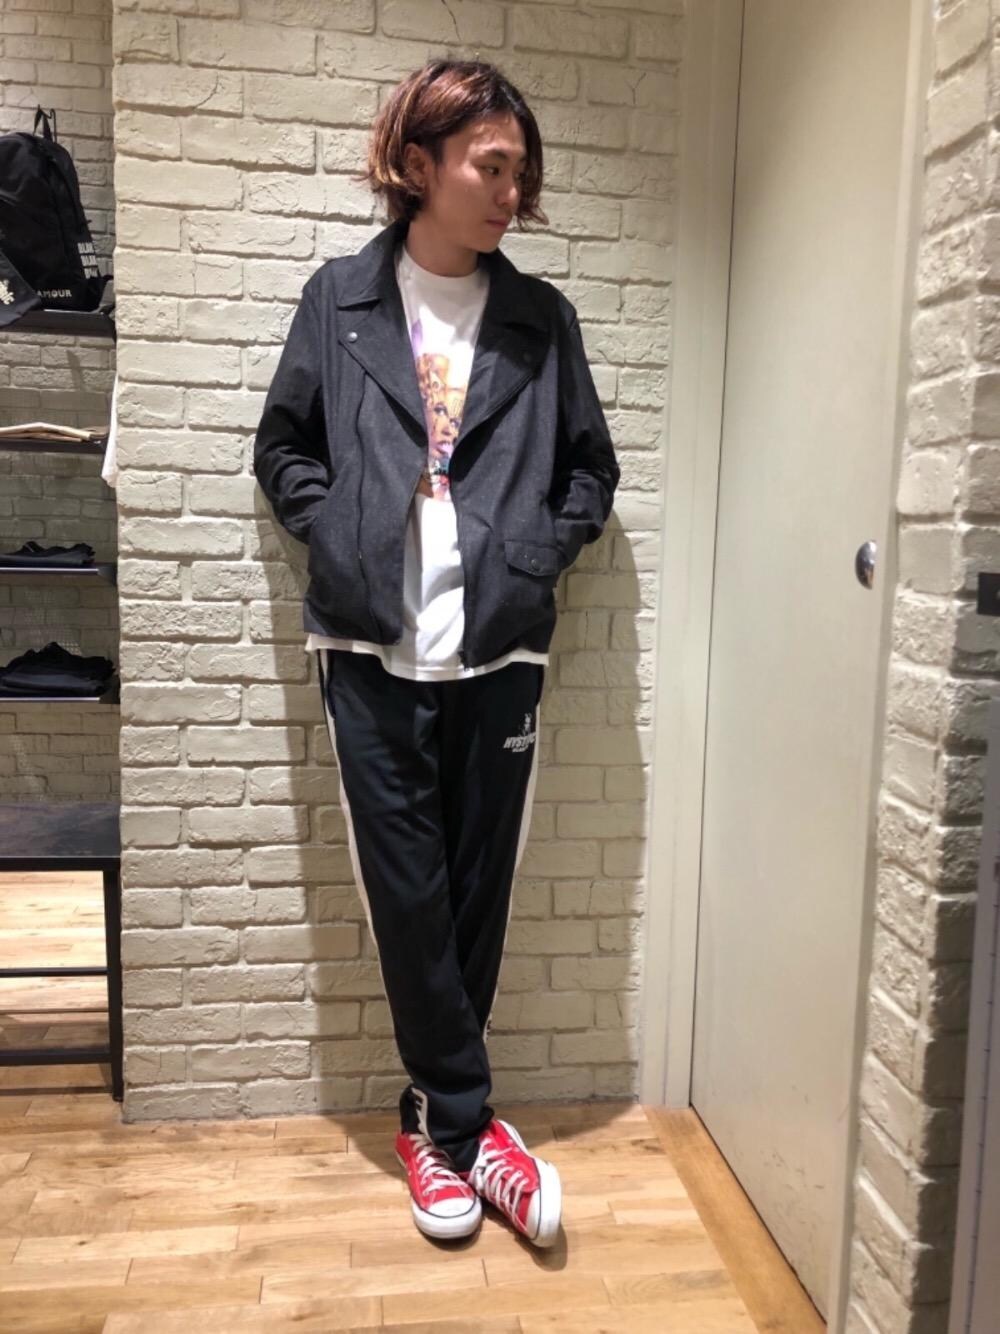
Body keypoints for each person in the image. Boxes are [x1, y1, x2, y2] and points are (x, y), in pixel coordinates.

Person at [253, 57, 619, 1249]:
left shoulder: (538, 318)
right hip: (370, 642)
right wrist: (340, 533)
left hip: (497, 648)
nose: (512, 192)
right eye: (490, 166)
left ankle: (433, 1122)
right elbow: (282, 446)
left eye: (521, 171)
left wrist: (532, 555)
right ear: (417, 164)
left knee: (477, 887)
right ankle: (468, 1122)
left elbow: (589, 470)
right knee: (408, 894)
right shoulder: (340, 300)